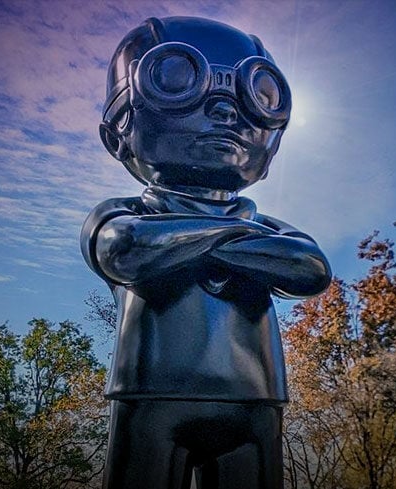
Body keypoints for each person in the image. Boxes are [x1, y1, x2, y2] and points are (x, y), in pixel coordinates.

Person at [81, 16, 331, 489]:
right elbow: (127, 250)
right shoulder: (127, 213)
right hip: (153, 395)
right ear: (117, 135)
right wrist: (243, 238)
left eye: (254, 97)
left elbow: (310, 268)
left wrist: (196, 241)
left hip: (254, 398)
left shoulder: (263, 226)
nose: (223, 112)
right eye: (177, 81)